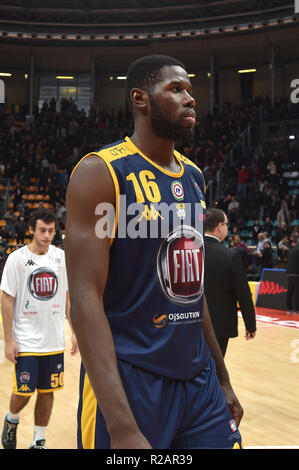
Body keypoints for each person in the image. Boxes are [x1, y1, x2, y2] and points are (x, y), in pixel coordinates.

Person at [65, 54, 244, 450]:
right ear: (140, 98)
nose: (190, 98)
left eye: (191, 91)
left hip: (198, 383)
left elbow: (191, 291)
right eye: (176, 89)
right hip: (131, 381)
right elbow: (83, 299)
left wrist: (222, 377)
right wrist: (121, 424)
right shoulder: (102, 172)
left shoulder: (194, 176)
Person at [1, 208, 78, 449]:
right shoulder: (17, 259)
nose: (47, 235)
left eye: (51, 231)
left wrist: (73, 330)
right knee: (23, 392)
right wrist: (9, 339)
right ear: (31, 230)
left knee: (48, 392)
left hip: (53, 340)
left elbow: (66, 297)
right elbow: (6, 299)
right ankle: (12, 419)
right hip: (26, 340)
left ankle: (39, 439)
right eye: (43, 230)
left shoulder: (61, 258)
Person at [204, 208, 256, 357]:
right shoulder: (230, 256)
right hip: (219, 326)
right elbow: (243, 293)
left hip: (188, 323)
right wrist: (250, 325)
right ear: (220, 226)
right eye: (226, 224)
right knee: (216, 371)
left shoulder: (188, 251)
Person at [286, 237, 299, 314]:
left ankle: (289, 308)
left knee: (290, 291)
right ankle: (297, 309)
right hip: (297, 273)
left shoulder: (291, 250)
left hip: (289, 272)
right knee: (297, 292)